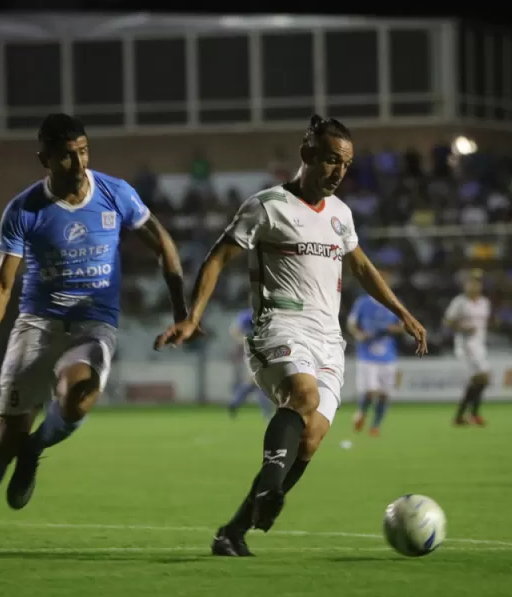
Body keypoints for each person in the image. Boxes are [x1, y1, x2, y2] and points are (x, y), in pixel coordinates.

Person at [155, 114, 429, 557]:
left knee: (312, 435)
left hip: (329, 338)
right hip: (278, 326)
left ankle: (234, 531)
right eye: (331, 160)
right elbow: (217, 257)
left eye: (346, 164)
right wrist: (191, 316)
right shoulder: (267, 206)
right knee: (303, 397)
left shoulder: (341, 214)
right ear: (307, 155)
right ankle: (269, 488)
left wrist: (402, 311)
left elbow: (361, 267)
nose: (339, 172)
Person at [0, 114, 187, 556]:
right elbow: (3, 282)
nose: (79, 161)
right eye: (67, 154)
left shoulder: (115, 193)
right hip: (38, 324)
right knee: (4, 440)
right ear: (44, 159)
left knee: (79, 391)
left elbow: (162, 242)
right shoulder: (24, 210)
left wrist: (182, 309)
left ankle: (36, 448)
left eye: (84, 150)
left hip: (93, 323)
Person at [347, 288, 402, 436]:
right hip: (367, 355)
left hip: (388, 356)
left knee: (384, 394)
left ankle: (375, 426)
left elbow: (402, 325)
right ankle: (362, 412)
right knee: (370, 392)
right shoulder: (363, 302)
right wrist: (359, 334)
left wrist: (392, 328)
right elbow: (351, 323)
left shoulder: (393, 302)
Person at [444, 270, 492, 426]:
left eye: (477, 282)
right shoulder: (459, 302)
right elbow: (447, 321)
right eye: (471, 282)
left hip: (479, 345)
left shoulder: (485, 302)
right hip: (465, 345)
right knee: (483, 377)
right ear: (465, 285)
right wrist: (463, 328)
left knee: (478, 381)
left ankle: (461, 416)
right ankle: (473, 414)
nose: (474, 285)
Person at [226, 308, 273, 419]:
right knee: (260, 382)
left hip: (263, 352)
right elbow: (234, 330)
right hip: (252, 353)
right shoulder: (248, 315)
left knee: (254, 382)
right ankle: (267, 413)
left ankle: (234, 403)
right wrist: (243, 340)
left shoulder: (266, 314)